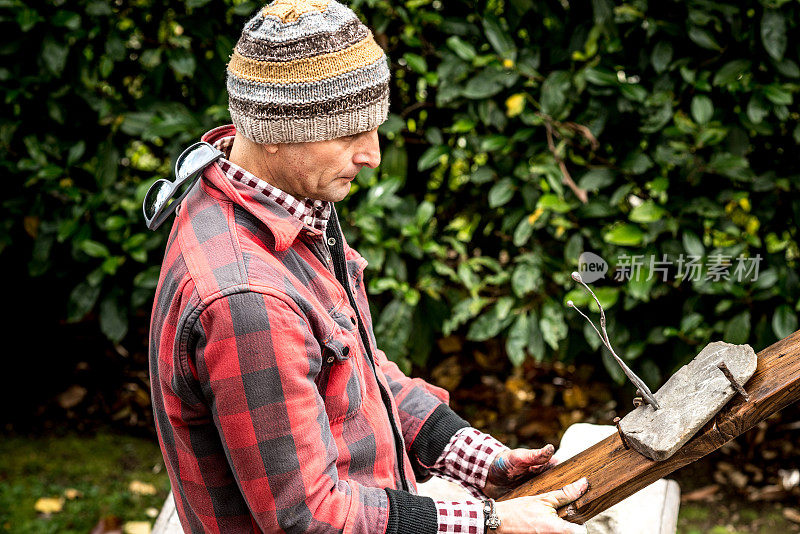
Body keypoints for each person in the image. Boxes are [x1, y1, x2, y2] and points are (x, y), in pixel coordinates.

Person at [147, 0, 588, 532]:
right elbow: (310, 519)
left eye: (373, 128)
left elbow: (355, 369)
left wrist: (475, 459)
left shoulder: (278, 201)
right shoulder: (248, 301)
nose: (372, 156)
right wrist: (493, 520)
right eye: (348, 132)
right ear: (270, 127)